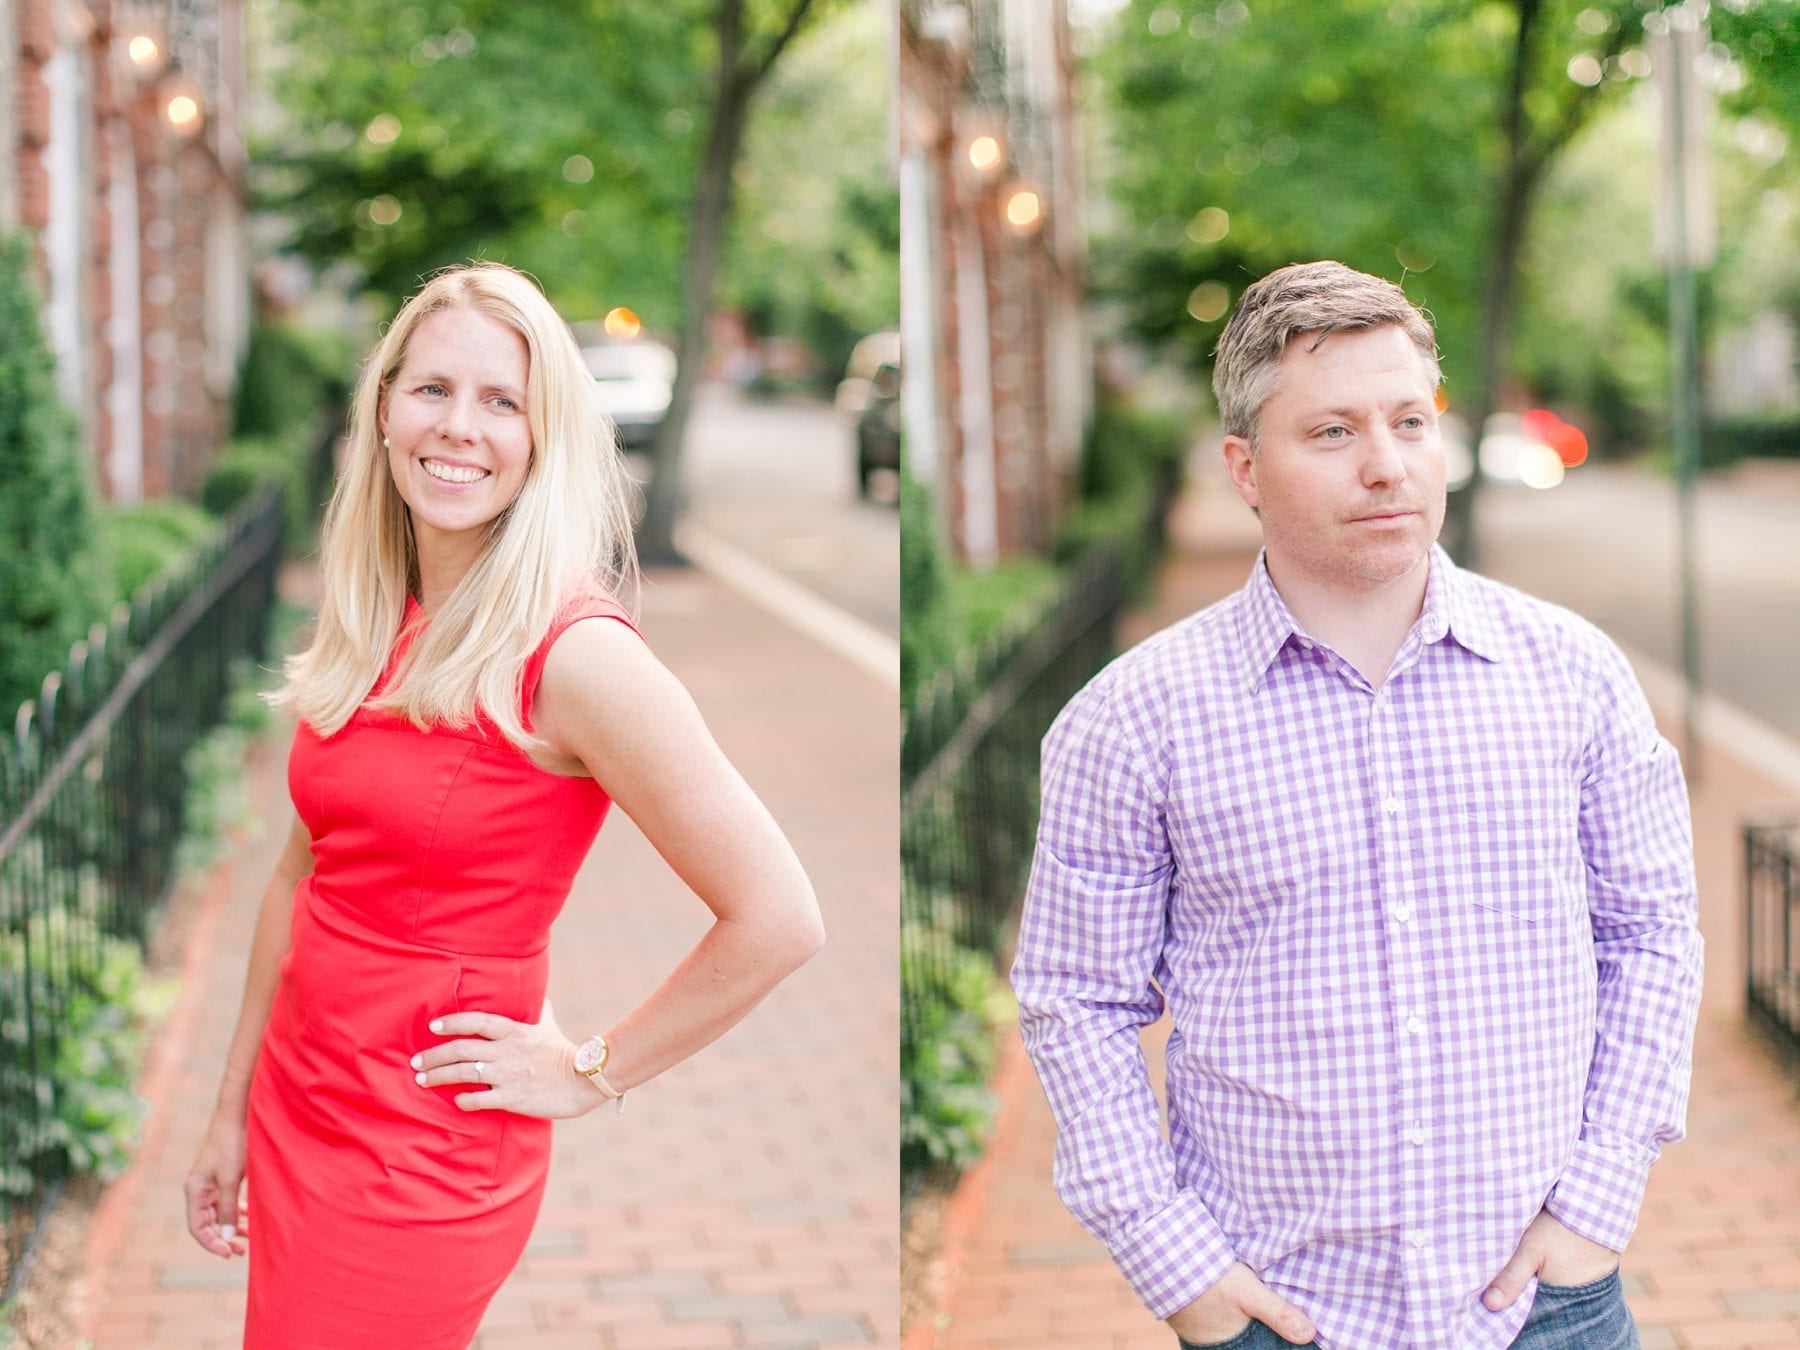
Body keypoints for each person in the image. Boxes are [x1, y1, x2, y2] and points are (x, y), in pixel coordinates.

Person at [1011, 260, 1701, 1350]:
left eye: (1410, 422)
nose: (1386, 467)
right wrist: (1173, 1262)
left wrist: (1598, 1201)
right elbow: (1076, 997)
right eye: (1331, 433)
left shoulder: (1574, 676)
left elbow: (1651, 935)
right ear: (1243, 466)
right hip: (1280, 1318)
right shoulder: (1129, 721)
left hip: (1547, 1309)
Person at [181, 262, 825, 1347]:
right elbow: (302, 875)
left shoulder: (576, 657)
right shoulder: (381, 610)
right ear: (382, 409)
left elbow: (780, 917)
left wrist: (590, 1072)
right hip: (301, 1099)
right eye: (431, 390)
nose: (459, 428)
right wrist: (231, 1105)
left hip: (420, 1155)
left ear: (541, 440)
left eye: (501, 402)